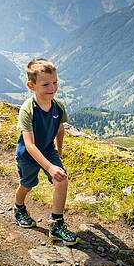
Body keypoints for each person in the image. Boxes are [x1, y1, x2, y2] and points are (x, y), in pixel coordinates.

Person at [12, 58, 79, 246]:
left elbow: (59, 128)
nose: (52, 88)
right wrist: (49, 167)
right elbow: (30, 145)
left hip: (48, 151)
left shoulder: (58, 107)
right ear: (31, 85)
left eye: (55, 82)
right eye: (46, 84)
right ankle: (19, 208)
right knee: (27, 184)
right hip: (28, 155)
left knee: (62, 179)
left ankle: (57, 224)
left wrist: (59, 150)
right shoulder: (27, 110)